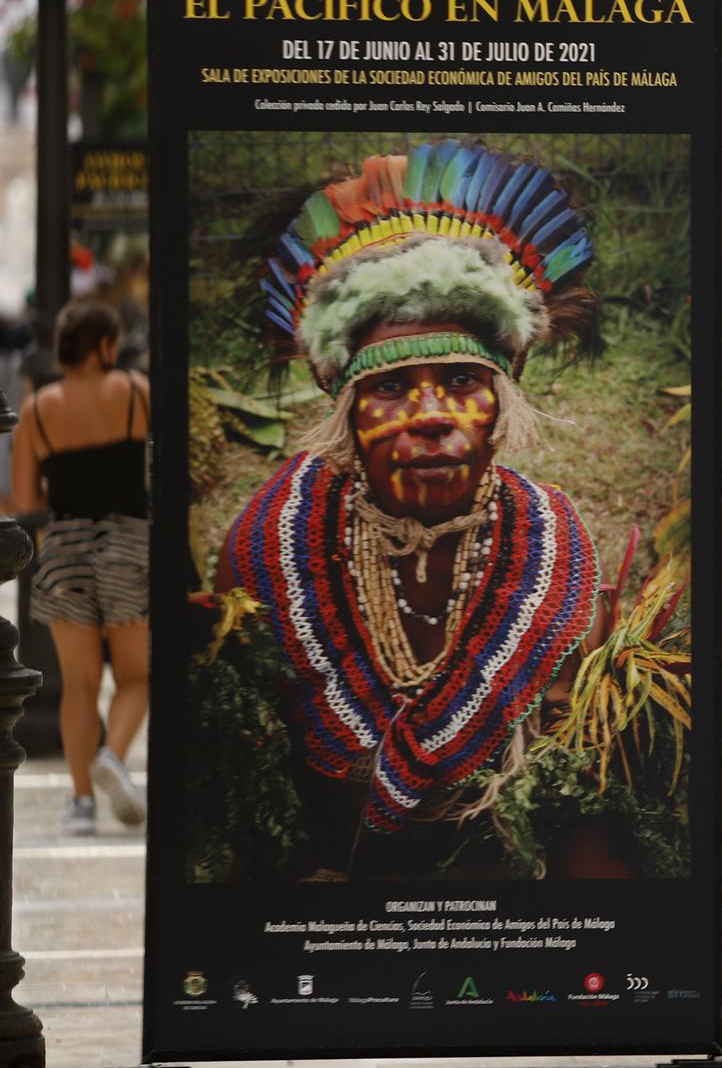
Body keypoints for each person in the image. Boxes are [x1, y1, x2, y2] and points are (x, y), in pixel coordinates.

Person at [212, 143, 603, 876]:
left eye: (460, 378)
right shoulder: (271, 547)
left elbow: (586, 800)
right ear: (348, 410)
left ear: (500, 403)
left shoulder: (555, 547)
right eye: (391, 387)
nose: (430, 415)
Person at [10, 298, 150, 836]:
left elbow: (26, 497)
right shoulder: (137, 392)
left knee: (79, 687)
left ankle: (81, 804)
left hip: (65, 549)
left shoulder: (41, 407)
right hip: (129, 545)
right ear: (104, 344)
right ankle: (113, 755)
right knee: (136, 677)